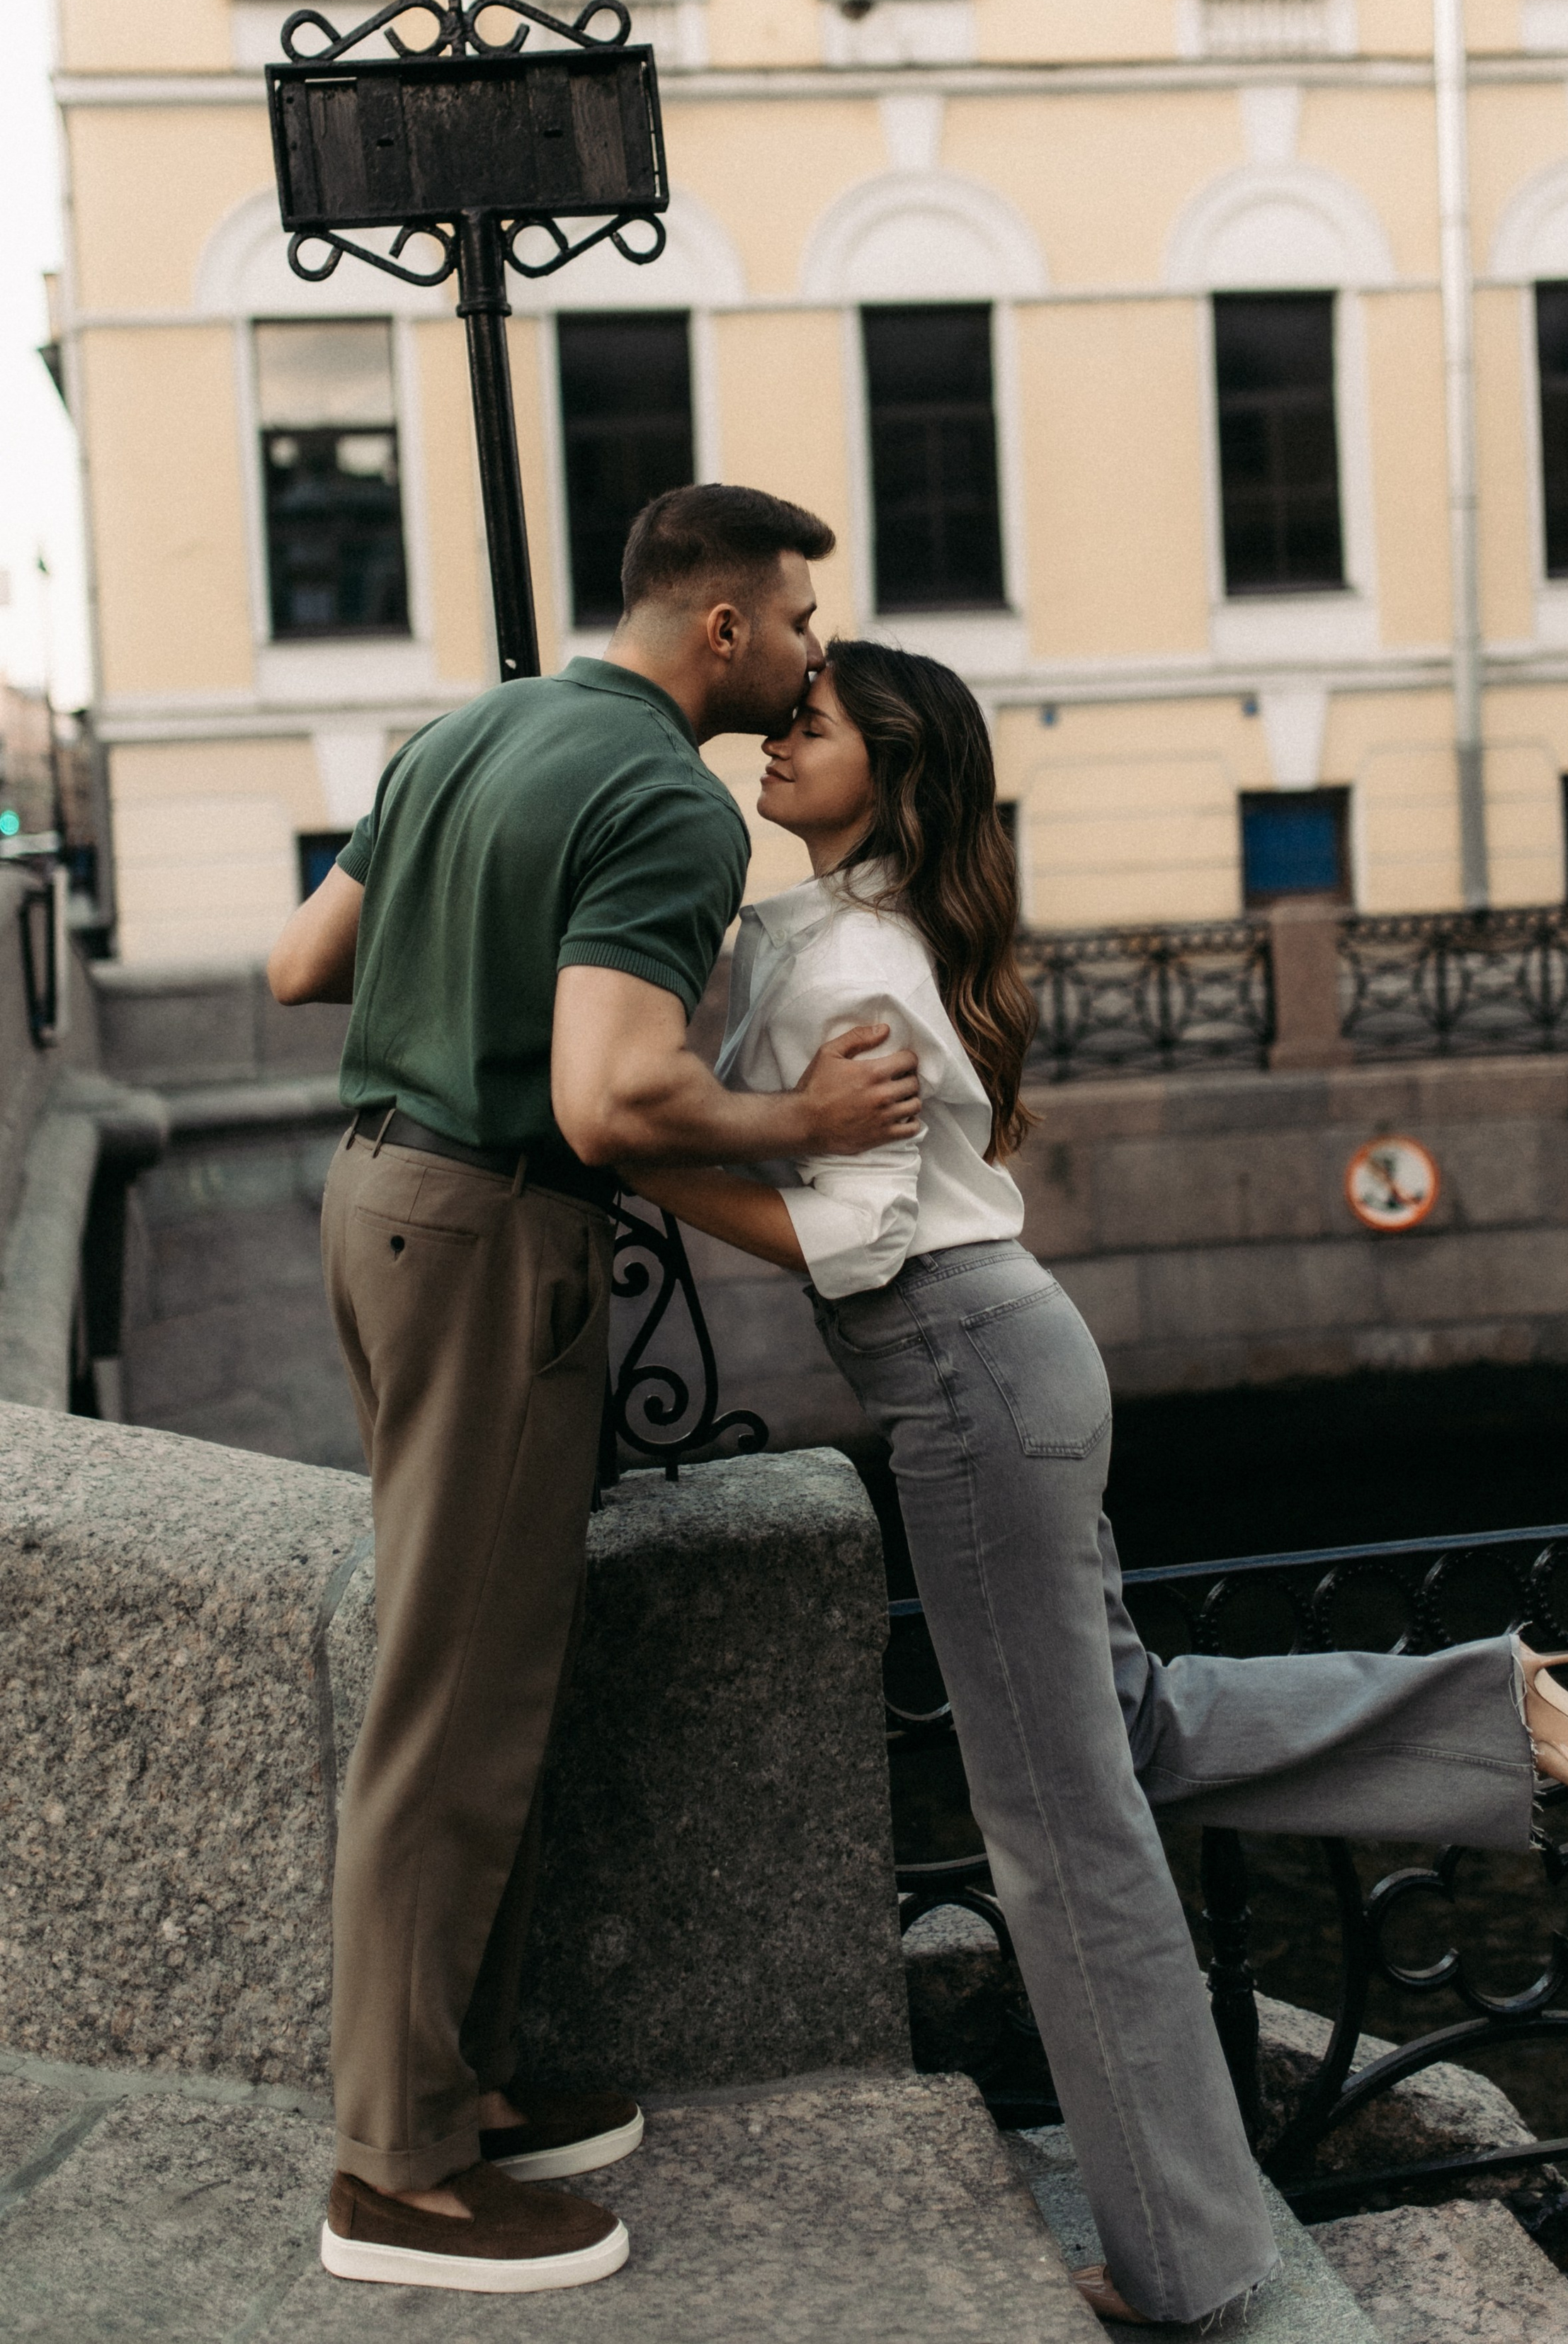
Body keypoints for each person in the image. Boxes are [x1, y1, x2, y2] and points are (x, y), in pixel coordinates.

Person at [631, 638, 1568, 2333]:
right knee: (1120, 1733)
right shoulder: (830, 927)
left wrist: (633, 1152)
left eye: (810, 721)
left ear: (893, 766)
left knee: (1056, 1829)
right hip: (1002, 1359)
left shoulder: (854, 958)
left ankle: (1181, 2258)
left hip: (960, 1364)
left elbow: (853, 1235)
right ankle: (1502, 1711)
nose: (773, 736)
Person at [265, 487, 923, 2297]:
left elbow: (302, 963)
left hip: (375, 1199)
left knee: (471, 1664)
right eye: (797, 621)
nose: (808, 655)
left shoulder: (467, 729)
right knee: (452, 1701)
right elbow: (609, 1096)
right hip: (489, 1230)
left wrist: (466, 956)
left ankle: (462, 2085)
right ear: (721, 627)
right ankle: (396, 2171)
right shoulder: (661, 796)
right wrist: (805, 1116)